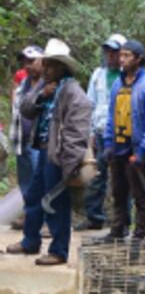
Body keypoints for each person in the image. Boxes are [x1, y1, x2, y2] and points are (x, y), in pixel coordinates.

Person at [5, 39, 91, 265]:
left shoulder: (74, 93)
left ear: (63, 67)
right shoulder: (44, 86)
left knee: (55, 202)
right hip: (42, 150)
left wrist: (69, 165)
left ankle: (59, 250)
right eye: (47, 64)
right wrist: (41, 94)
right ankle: (30, 241)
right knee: (33, 197)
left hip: (58, 156)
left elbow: (77, 133)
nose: (47, 69)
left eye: (52, 65)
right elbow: (25, 109)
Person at [103, 39, 145, 241]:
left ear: (139, 58)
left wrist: (144, 151)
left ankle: (139, 232)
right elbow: (110, 114)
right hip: (117, 146)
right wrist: (108, 142)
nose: (122, 59)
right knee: (118, 191)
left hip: (136, 148)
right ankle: (117, 228)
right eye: (121, 55)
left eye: (127, 55)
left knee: (139, 194)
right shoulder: (118, 83)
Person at [78, 33, 126, 231]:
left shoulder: (128, 76)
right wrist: (89, 134)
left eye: (115, 52)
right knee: (97, 175)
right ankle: (94, 216)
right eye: (108, 51)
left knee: (121, 178)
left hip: (120, 134)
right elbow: (90, 103)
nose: (110, 56)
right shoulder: (98, 74)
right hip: (99, 131)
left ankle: (121, 220)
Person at [10, 45, 44, 207]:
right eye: (25, 61)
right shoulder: (23, 84)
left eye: (32, 61)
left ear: (42, 61)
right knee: (25, 180)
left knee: (40, 178)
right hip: (21, 137)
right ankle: (30, 212)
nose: (28, 65)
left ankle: (43, 217)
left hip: (38, 140)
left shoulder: (48, 85)